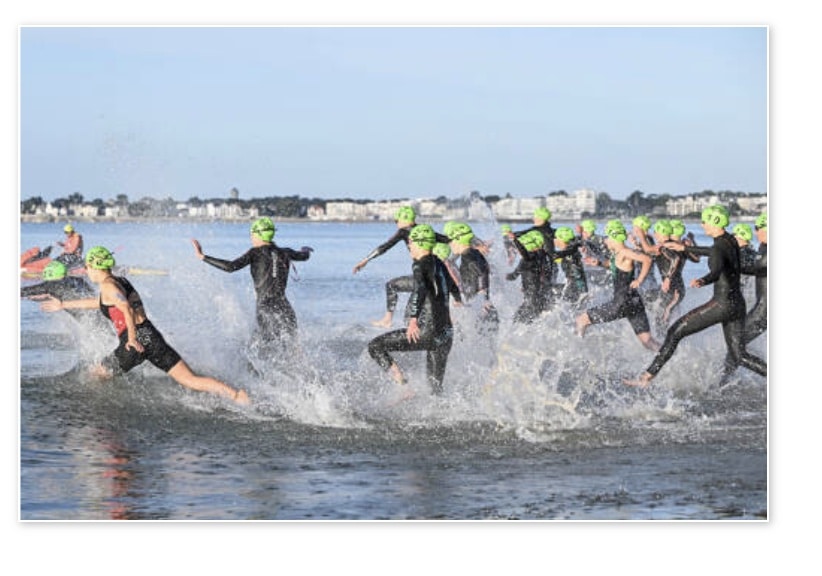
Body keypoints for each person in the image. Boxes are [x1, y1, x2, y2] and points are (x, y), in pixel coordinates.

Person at [40, 246, 249, 405]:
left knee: (94, 377)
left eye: (87, 267)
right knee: (190, 379)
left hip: (135, 340)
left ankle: (97, 416)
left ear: (96, 266)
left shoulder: (107, 285)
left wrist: (131, 338)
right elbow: (102, 303)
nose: (86, 271)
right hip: (151, 335)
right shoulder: (119, 281)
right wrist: (64, 304)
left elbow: (123, 306)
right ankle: (236, 395)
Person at [624, 205, 767, 388]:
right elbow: (714, 252)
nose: (702, 224)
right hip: (737, 306)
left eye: (705, 220)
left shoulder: (720, 246)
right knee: (739, 355)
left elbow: (716, 270)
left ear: (715, 221)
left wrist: (704, 280)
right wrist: (683, 248)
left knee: (675, 331)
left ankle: (646, 377)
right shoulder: (730, 240)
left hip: (721, 305)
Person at [367, 224, 460, 395]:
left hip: (428, 332)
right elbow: (453, 285)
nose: (409, 246)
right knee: (435, 389)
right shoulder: (439, 262)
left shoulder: (419, 265)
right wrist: (459, 302)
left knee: (375, 346)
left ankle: (403, 386)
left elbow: (420, 289)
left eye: (411, 242)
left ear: (419, 244)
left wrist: (413, 320)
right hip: (446, 334)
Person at [192, 217, 312, 349]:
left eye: (252, 234)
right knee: (291, 346)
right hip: (284, 307)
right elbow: (304, 256)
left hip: (265, 307)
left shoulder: (254, 253)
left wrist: (203, 256)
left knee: (263, 346)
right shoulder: (286, 252)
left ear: (258, 234)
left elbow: (230, 267)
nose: (251, 237)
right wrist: (305, 249)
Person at [353, 206, 450, 328]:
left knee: (391, 286)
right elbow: (448, 239)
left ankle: (388, 320)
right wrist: (475, 244)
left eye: (396, 221)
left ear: (403, 219)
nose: (396, 224)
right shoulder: (424, 231)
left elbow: (385, 246)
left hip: (422, 275)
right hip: (433, 277)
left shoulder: (404, 231)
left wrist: (366, 260)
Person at [575, 220, 661, 351]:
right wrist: (598, 263)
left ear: (614, 238)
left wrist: (639, 279)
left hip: (621, 302)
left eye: (608, 238)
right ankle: (669, 356)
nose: (606, 241)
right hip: (635, 302)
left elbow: (647, 259)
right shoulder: (619, 255)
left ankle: (578, 353)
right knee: (647, 341)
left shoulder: (625, 252)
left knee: (581, 320)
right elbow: (613, 265)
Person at [719, 213, 768, 385]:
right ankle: (723, 381)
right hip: (762, 308)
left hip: (764, 311)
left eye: (758, 228)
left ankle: (722, 384)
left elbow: (755, 268)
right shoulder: (763, 247)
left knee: (735, 347)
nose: (755, 233)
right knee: (735, 348)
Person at [444, 221, 499, 332]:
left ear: (458, 241)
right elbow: (484, 271)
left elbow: (482, 273)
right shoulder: (473, 253)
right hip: (485, 311)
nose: (449, 245)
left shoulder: (468, 258)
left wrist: (483, 299)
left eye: (450, 242)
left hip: (482, 313)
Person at [506, 207, 557, 310]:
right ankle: (548, 308)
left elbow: (521, 234)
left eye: (535, 217)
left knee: (535, 291)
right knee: (545, 290)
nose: (533, 219)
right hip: (550, 264)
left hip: (536, 263)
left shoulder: (536, 230)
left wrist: (512, 236)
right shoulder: (552, 231)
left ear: (541, 218)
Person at [506, 230, 548, 324]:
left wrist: (515, 240)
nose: (517, 251)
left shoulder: (528, 259)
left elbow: (513, 276)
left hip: (531, 300)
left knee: (517, 322)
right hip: (536, 297)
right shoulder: (540, 255)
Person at [553, 226, 589, 307]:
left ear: (562, 240)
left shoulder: (570, 255)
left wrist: (583, 292)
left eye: (556, 238)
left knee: (548, 291)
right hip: (575, 287)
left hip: (575, 289)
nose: (555, 241)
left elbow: (577, 274)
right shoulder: (570, 251)